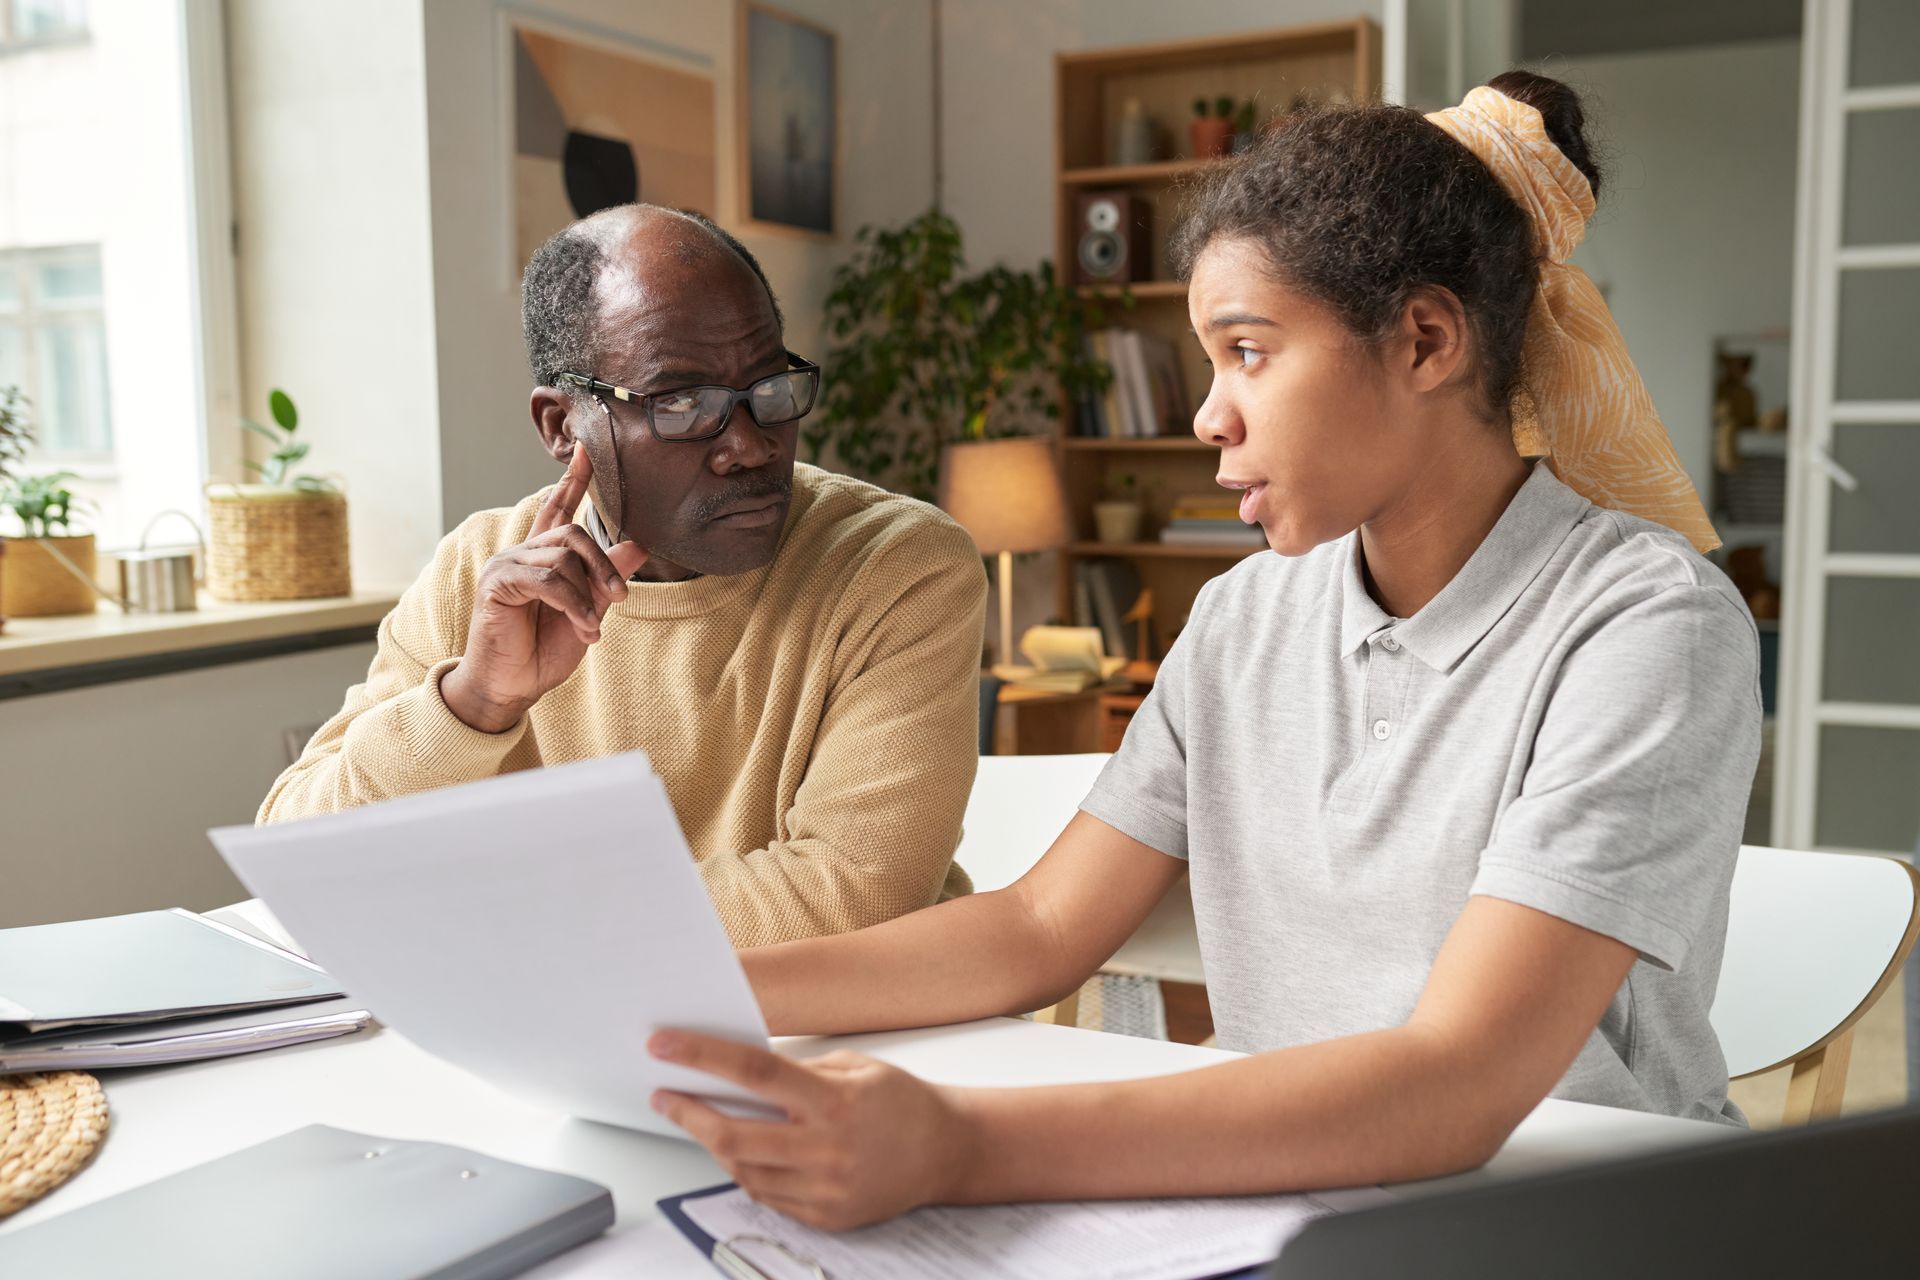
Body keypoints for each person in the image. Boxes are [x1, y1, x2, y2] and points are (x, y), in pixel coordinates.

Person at [642, 73, 1763, 1229]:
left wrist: (962, 1143)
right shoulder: (1241, 620)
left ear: (1426, 340)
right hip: (1303, 1208)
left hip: (1583, 1231)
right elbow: (1038, 929)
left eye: (1249, 351)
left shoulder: (1647, 627)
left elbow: (1457, 1078)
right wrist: (680, 998)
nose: (1207, 414)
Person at [260, 205, 988, 946]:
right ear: (560, 424)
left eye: (770, 387)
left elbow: (855, 894)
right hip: (543, 1031)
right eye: (680, 402)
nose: (748, 443)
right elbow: (300, 864)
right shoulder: (481, 573)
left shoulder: (897, 566)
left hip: (845, 1041)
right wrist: (475, 702)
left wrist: (499, 918)